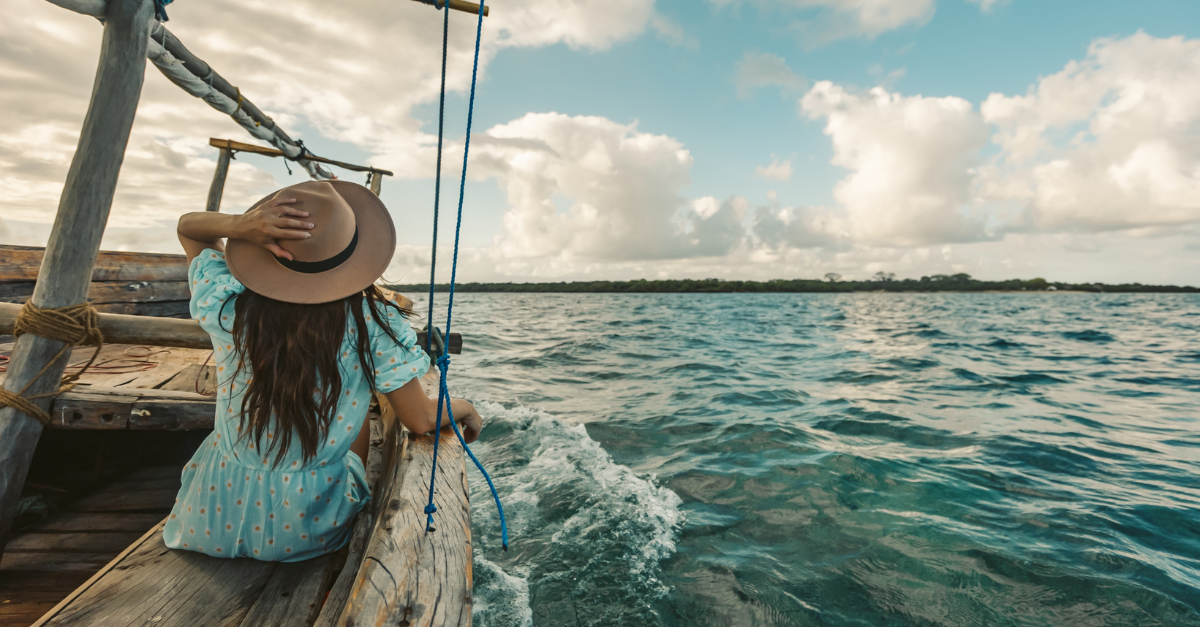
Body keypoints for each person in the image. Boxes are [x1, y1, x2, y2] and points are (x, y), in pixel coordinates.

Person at [163, 180, 482, 562]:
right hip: (306, 528)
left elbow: (188, 227)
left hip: (209, 516)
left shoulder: (227, 304)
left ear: (268, 247)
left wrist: (241, 225)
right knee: (359, 406)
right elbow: (420, 419)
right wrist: (463, 406)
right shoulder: (372, 323)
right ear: (354, 259)